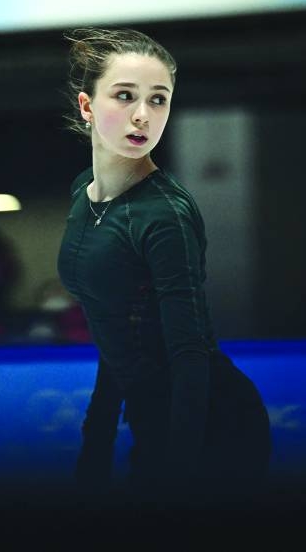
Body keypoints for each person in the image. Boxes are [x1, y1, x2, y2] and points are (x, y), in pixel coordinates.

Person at [56, 27, 271, 512]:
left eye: (158, 100)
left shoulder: (165, 214)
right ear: (87, 106)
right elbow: (113, 331)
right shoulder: (82, 192)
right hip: (152, 419)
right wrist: (96, 446)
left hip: (211, 426)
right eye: (125, 96)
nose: (143, 115)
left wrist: (177, 473)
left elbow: (188, 353)